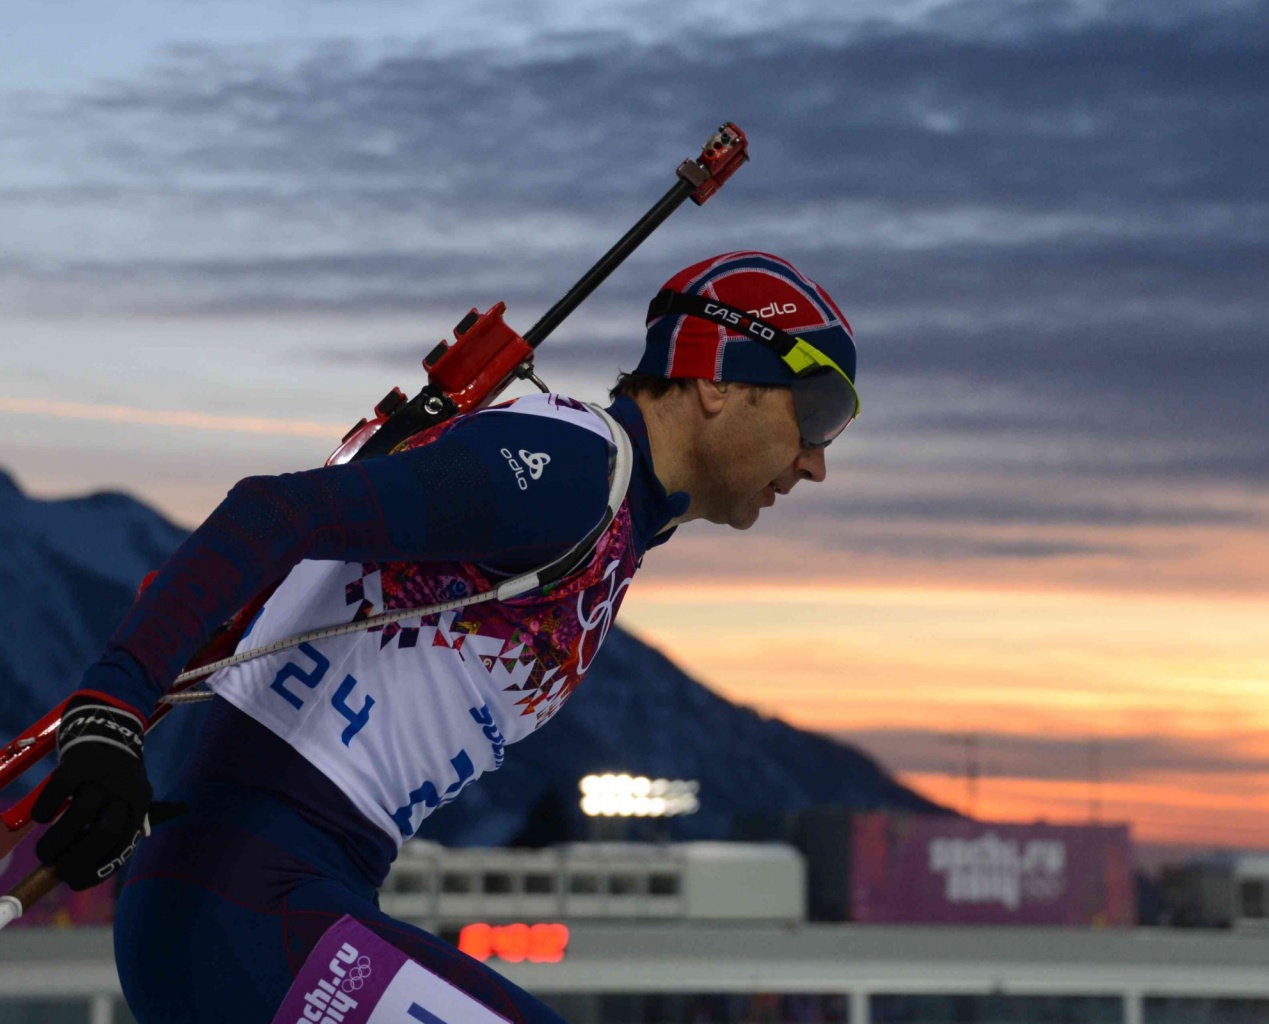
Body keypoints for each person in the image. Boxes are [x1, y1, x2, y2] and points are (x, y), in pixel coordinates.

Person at [32, 251, 859, 1024]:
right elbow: (273, 512)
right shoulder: (573, 467)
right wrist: (107, 714)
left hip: (271, 901)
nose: (818, 462)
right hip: (245, 903)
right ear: (716, 380)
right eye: (817, 410)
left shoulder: (614, 522)